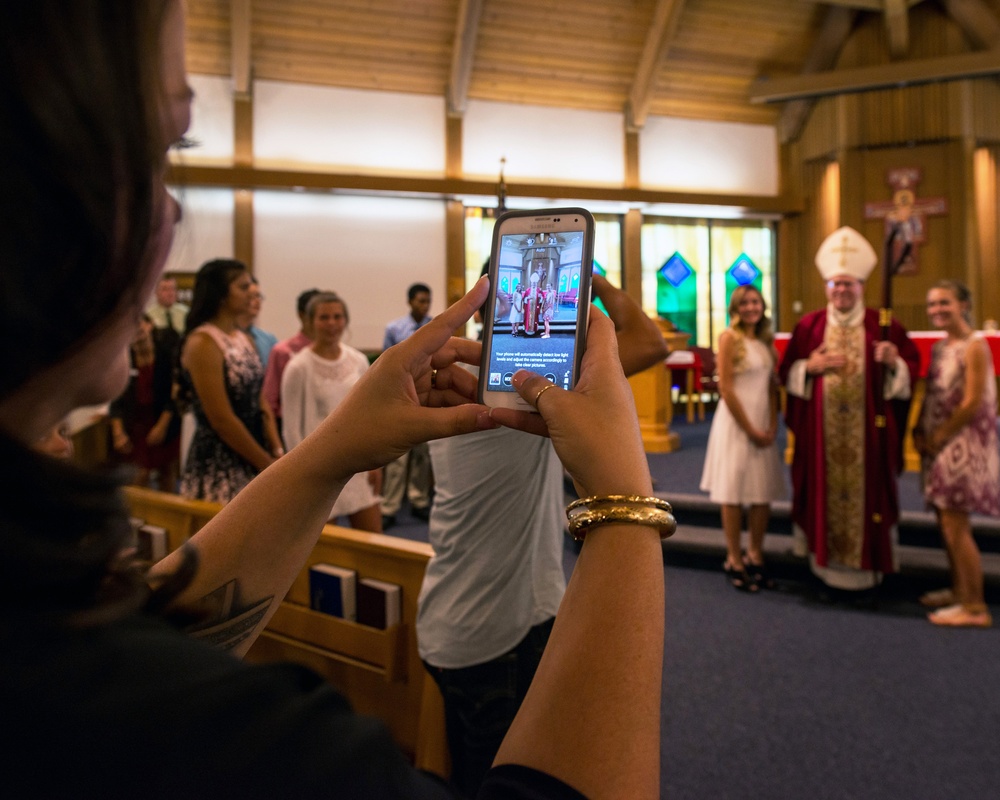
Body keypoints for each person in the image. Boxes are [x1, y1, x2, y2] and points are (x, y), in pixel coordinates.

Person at [0, 4, 667, 797]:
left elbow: (148, 630)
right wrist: (625, 510)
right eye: (160, 149)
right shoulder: (199, 737)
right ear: (36, 192)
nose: (172, 212)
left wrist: (337, 449)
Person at [418, 273, 669, 796]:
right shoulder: (520, 390)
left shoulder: (463, 376)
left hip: (451, 613)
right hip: (500, 628)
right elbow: (649, 342)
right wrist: (592, 279)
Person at [779, 226, 920, 592]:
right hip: (820, 439)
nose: (841, 291)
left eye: (849, 284)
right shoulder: (810, 326)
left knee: (868, 496)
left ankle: (868, 572)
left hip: (869, 440)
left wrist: (893, 363)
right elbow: (786, 372)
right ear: (826, 287)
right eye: (835, 284)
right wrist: (807, 368)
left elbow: (910, 371)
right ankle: (824, 570)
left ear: (861, 286)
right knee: (822, 494)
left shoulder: (882, 326)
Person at [913, 281, 999, 627]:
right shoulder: (940, 347)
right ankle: (958, 589)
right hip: (938, 440)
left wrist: (940, 436)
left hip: (962, 442)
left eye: (944, 304)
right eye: (932, 305)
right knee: (942, 519)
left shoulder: (974, 346)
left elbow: (973, 401)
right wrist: (919, 429)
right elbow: (933, 392)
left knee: (955, 523)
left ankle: (975, 606)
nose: (937, 310)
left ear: (963, 305)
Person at [700, 285, 785, 592]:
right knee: (733, 492)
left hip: (763, 421)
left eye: (756, 301)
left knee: (762, 493)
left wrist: (773, 424)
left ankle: (756, 554)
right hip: (736, 423)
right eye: (746, 302)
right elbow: (726, 389)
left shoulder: (766, 343)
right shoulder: (729, 338)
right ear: (736, 307)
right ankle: (734, 558)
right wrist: (750, 429)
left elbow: (772, 387)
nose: (752, 307)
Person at [179, 258, 283, 503]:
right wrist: (264, 463)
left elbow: (261, 401)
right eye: (244, 287)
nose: (252, 293)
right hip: (220, 461)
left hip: (255, 451)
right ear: (221, 294)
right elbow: (221, 420)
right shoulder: (203, 342)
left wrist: (277, 450)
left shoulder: (243, 337)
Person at [281, 292, 383, 532]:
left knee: (374, 543)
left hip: (357, 463)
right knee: (325, 549)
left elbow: (368, 416)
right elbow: (291, 430)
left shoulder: (358, 360)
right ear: (310, 322)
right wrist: (302, 476)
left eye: (337, 317)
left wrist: (376, 463)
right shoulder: (298, 367)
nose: (331, 323)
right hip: (320, 469)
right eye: (323, 317)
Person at [381, 282, 434, 528]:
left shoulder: (436, 327)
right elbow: (385, 365)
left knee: (422, 455)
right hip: (401, 396)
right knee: (397, 456)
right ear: (410, 301)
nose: (424, 306)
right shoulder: (395, 328)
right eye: (420, 300)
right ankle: (389, 506)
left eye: (427, 301)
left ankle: (419, 500)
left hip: (426, 396)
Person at [108, 313, 181, 490]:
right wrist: (118, 433)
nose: (136, 329)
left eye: (139, 323)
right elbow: (116, 401)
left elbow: (174, 395)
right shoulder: (123, 360)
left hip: (165, 420)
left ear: (150, 325)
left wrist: (162, 427)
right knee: (139, 476)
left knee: (167, 472)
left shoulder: (166, 355)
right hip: (136, 425)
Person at [261, 287, 320, 432]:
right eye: (320, 316)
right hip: (290, 426)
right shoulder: (283, 351)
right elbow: (269, 401)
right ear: (302, 315)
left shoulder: (343, 354)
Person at [243, 276, 278, 368]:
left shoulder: (268, 339)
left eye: (258, 296)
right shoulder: (225, 337)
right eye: (252, 296)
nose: (257, 301)